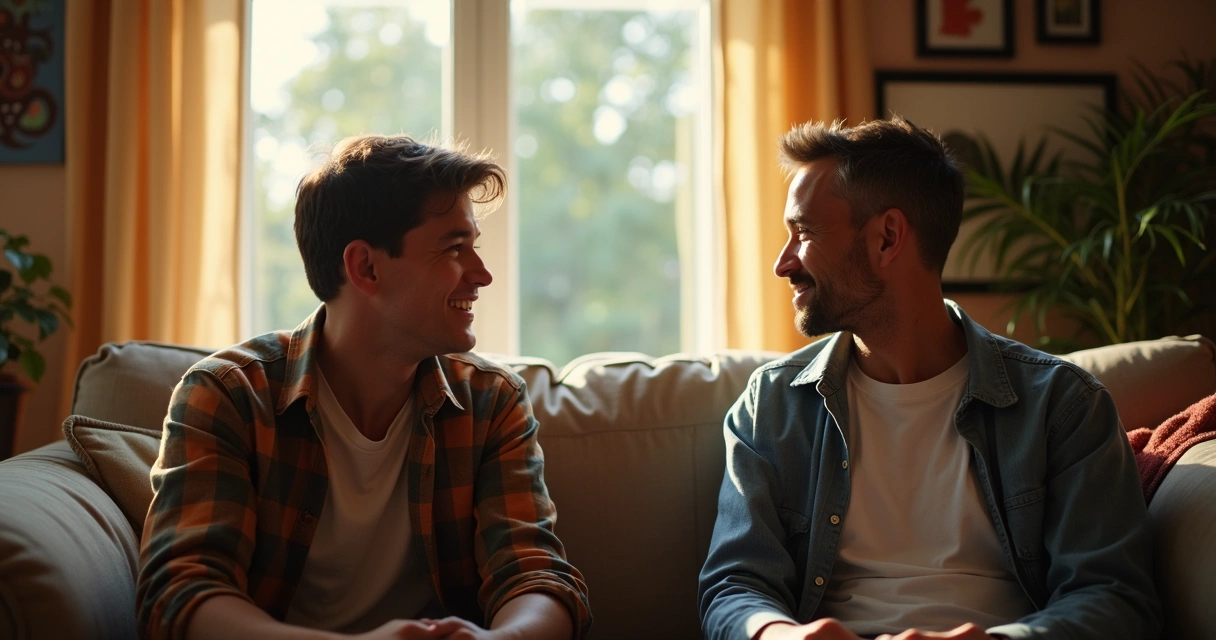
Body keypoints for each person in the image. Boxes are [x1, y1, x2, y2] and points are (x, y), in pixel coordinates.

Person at [697, 118, 1160, 640]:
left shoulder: (1062, 405)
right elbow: (733, 584)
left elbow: (1115, 599)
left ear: (888, 237)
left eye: (803, 232)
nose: (783, 263)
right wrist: (785, 635)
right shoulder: (773, 405)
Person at [137, 135, 591, 640]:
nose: (482, 275)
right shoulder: (228, 396)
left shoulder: (490, 403)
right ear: (366, 267)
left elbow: (535, 576)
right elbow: (179, 596)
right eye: (455, 248)